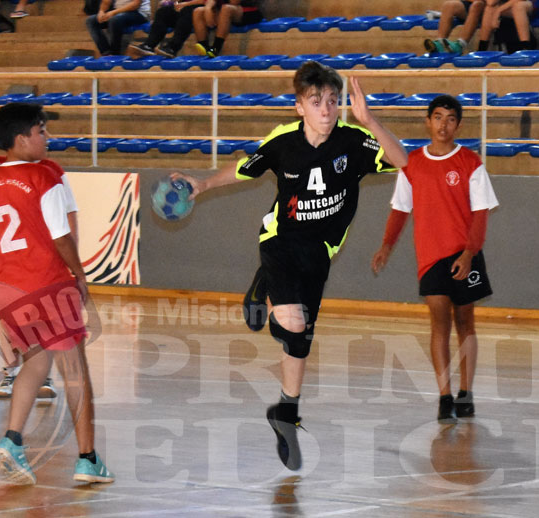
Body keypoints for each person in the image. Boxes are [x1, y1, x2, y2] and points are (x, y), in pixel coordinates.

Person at [175, 62, 408, 471]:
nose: (327, 109)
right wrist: (204, 184)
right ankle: (266, 282)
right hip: (281, 240)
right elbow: (246, 168)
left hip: (321, 250)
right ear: (300, 106)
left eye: (334, 102)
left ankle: (286, 410)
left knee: (300, 340)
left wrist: (370, 120)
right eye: (317, 102)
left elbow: (403, 160)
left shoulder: (354, 141)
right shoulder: (283, 141)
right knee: (294, 324)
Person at [0, 102, 112, 485]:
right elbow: (59, 235)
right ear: (22, 139)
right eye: (42, 131)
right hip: (46, 286)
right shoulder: (44, 177)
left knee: (35, 363)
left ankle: (12, 438)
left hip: (5, 290)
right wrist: (79, 274)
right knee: (75, 373)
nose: (47, 138)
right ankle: (87, 459)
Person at [371, 95, 497, 423]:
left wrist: (470, 253)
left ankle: (465, 392)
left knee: (465, 322)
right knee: (439, 321)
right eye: (438, 117)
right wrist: (386, 245)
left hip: (464, 254)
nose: (444, 124)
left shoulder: (470, 163)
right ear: (428, 121)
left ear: (458, 124)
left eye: (451, 118)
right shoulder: (411, 164)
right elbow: (400, 209)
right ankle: (444, 395)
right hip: (430, 258)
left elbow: (481, 214)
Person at [0, 152, 78, 403]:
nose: (45, 138)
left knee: (43, 321)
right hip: (10, 264)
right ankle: (11, 371)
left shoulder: (51, 169)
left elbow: (69, 211)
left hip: (42, 263)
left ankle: (42, 374)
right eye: (39, 131)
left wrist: (71, 253)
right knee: (9, 321)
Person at [131, 0, 205, 57]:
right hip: (182, 9)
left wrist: (184, 4)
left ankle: (172, 48)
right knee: (162, 12)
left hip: (199, 12)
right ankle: (149, 46)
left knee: (187, 11)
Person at [191, 0, 262, 58]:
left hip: (248, 11)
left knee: (226, 9)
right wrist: (208, 8)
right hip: (223, 10)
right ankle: (203, 47)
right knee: (198, 11)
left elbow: (234, 2)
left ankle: (215, 48)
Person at [85, 0, 150, 56]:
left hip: (139, 14)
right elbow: (106, 1)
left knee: (115, 20)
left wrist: (114, 12)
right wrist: (101, 11)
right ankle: (107, 53)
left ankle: (115, 54)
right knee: (91, 21)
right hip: (119, 12)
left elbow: (135, 5)